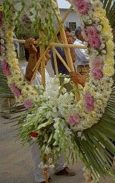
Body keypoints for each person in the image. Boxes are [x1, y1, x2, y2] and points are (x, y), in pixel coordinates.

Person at [24, 38, 76, 183]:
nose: (47, 57)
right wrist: (33, 54)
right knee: (38, 148)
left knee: (57, 141)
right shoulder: (28, 70)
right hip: (35, 118)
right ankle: (41, 178)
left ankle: (60, 167)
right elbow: (28, 76)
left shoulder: (44, 72)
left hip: (50, 113)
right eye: (45, 54)